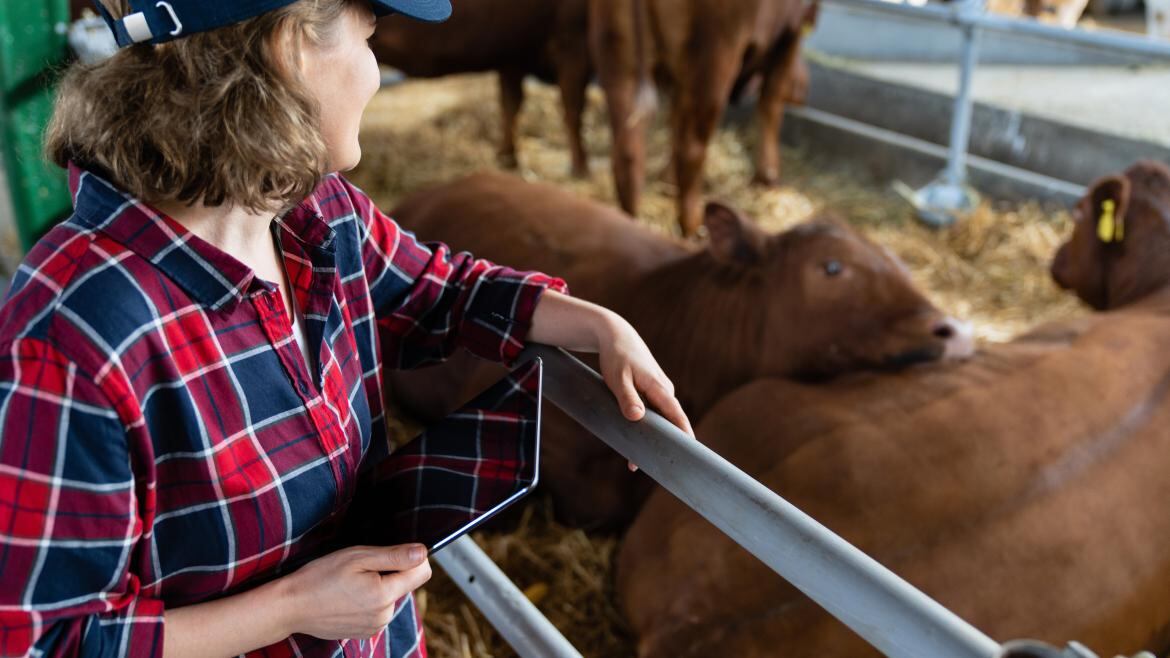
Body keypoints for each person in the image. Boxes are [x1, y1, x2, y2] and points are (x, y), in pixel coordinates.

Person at [0, 1, 693, 656]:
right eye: (368, 38)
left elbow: (437, 289)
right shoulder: (73, 333)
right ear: (292, 45)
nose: (374, 68)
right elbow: (45, 639)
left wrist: (597, 324)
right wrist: (292, 608)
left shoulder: (308, 209)